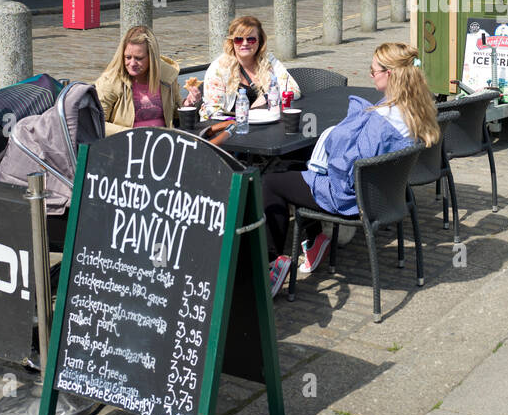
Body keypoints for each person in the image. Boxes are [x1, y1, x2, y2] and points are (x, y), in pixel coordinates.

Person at [259, 42, 440, 297]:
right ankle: (312, 241)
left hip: (351, 199)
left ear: (390, 74)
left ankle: (271, 266)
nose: (370, 74)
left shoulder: (383, 118)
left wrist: (335, 140)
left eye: (373, 70)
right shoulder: (415, 107)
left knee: (271, 182)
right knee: (295, 167)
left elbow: (346, 168)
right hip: (387, 197)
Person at [187, 15, 301, 121]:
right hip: (231, 127)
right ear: (232, 42)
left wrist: (266, 98)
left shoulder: (268, 61)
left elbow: (294, 90)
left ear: (260, 41)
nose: (245, 43)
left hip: (266, 123)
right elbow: (213, 112)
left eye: (251, 39)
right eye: (239, 39)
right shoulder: (219, 68)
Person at [95, 26, 181, 135]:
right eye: (128, 57)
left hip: (163, 142)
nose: (132, 63)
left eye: (138, 58)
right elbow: (97, 123)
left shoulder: (167, 77)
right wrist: (132, 134)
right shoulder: (110, 82)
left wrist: (190, 103)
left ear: (151, 58)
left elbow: (177, 116)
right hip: (126, 145)